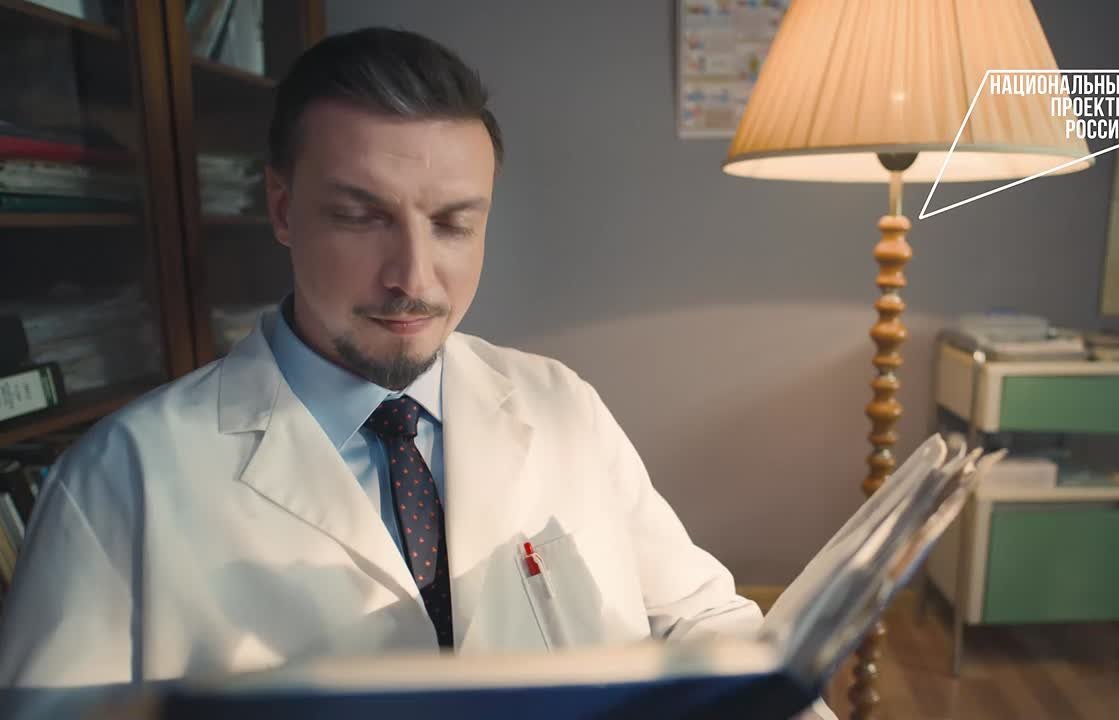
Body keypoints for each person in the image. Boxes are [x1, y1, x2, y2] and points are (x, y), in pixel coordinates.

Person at [0, 27, 833, 718]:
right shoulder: (120, 483)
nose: (415, 278)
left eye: (453, 224)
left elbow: (702, 620)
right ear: (283, 208)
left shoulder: (560, 403)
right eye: (361, 218)